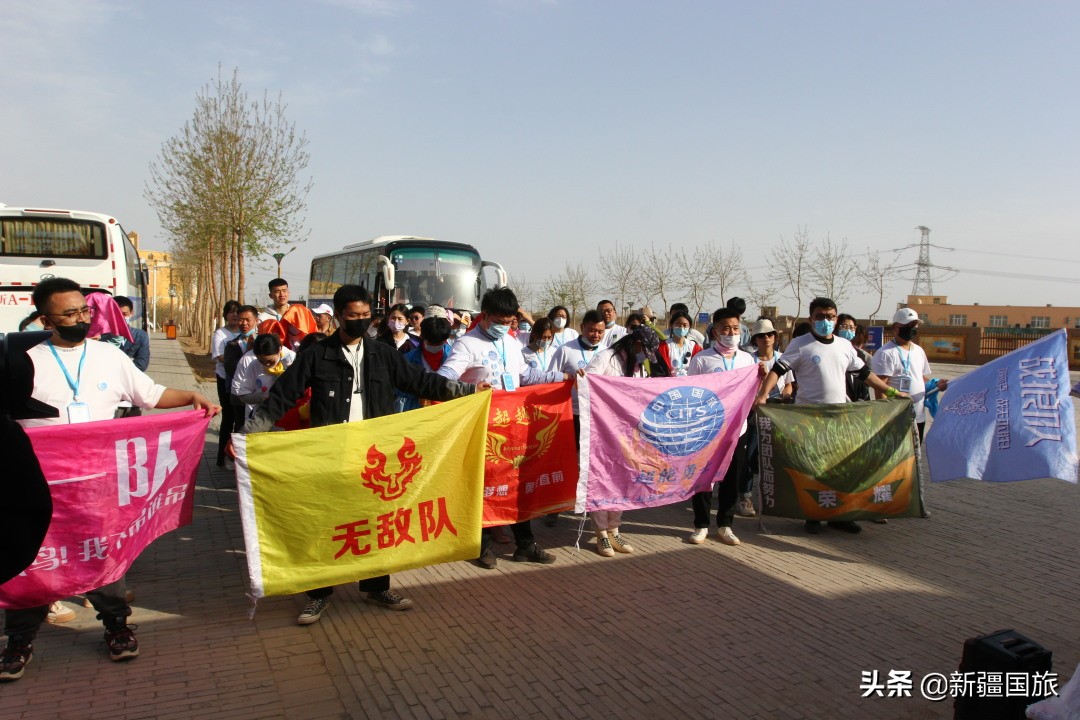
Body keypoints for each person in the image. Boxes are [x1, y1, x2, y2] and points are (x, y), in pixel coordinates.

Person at [0, 277, 219, 682]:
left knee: (102, 554)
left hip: (97, 485)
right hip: (34, 485)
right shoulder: (17, 359)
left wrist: (190, 397)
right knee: (30, 561)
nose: (81, 319)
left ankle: (116, 627)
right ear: (46, 319)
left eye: (84, 310)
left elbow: (149, 394)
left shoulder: (108, 356)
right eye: (70, 314)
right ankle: (18, 642)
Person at [241, 284, 488, 626]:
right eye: (353, 316)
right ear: (339, 316)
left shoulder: (384, 354)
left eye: (365, 315)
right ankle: (319, 593)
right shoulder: (317, 355)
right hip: (330, 456)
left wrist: (468, 391)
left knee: (375, 522)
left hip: (376, 458)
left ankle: (376, 587)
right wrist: (250, 434)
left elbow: (423, 383)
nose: (360, 321)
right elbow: (283, 396)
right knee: (327, 523)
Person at [438, 287, 571, 569]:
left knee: (516, 485)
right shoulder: (466, 344)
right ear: (484, 316)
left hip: (514, 428)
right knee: (485, 487)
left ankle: (526, 545)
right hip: (482, 430)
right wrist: (469, 389)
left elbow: (526, 376)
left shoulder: (511, 342)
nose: (504, 326)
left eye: (509, 321)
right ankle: (481, 546)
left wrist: (564, 376)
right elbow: (444, 377)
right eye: (499, 321)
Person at [755, 297, 905, 535]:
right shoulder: (800, 344)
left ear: (836, 318)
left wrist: (892, 391)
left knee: (841, 468)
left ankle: (840, 515)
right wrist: (763, 395)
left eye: (830, 316)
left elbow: (866, 374)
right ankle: (813, 515)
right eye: (820, 316)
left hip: (840, 417)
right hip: (810, 418)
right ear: (811, 318)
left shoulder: (845, 346)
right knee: (814, 468)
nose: (826, 321)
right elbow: (778, 369)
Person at [583, 326, 661, 556]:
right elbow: (586, 386)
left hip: (628, 434)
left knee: (623, 480)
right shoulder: (605, 358)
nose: (644, 356)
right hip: (602, 432)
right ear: (634, 343)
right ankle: (601, 534)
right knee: (602, 480)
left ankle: (614, 529)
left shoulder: (638, 366)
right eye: (643, 350)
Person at [686, 308, 759, 546]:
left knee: (731, 477)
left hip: (737, 431)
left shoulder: (748, 360)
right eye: (726, 328)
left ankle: (726, 525)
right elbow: (691, 393)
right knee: (703, 476)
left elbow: (752, 393)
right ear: (715, 330)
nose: (731, 333)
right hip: (708, 430)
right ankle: (701, 525)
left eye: (736, 328)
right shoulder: (702, 359)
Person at [871, 308, 946, 443]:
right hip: (896, 417)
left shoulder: (918, 350)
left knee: (914, 457)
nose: (911, 329)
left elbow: (920, 377)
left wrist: (936, 383)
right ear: (895, 327)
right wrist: (884, 417)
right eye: (907, 326)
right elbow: (880, 386)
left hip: (918, 416)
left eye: (914, 325)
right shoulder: (886, 353)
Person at [231, 333, 297, 423]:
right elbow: (243, 396)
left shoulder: (293, 361)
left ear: (279, 349)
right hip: (261, 417)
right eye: (261, 361)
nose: (267, 364)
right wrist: (261, 397)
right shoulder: (254, 365)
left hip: (288, 417)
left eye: (270, 360)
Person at [396, 316, 454, 412]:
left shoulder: (454, 358)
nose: (435, 346)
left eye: (438, 343)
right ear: (422, 337)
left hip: (448, 412)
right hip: (417, 412)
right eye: (431, 343)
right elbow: (398, 387)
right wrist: (417, 394)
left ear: (445, 340)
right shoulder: (408, 359)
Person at [656, 310, 702, 377]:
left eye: (685, 325)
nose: (681, 327)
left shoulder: (695, 348)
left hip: (690, 383)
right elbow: (658, 372)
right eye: (678, 324)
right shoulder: (662, 348)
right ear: (672, 325)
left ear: (689, 327)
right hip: (669, 383)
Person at [114, 296, 151, 372]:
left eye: (124, 314)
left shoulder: (140, 336)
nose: (121, 318)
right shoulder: (101, 336)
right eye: (117, 314)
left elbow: (141, 365)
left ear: (131, 313)